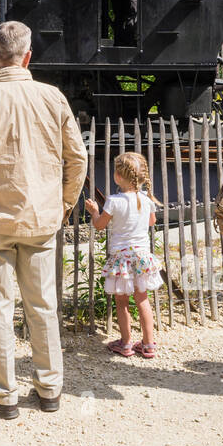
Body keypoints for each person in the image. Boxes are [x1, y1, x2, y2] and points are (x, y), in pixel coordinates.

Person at [0, 21, 87, 418]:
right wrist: (63, 205)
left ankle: (3, 394)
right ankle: (49, 389)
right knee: (43, 303)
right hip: (41, 218)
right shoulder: (53, 98)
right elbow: (77, 158)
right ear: (28, 56)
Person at [84, 152, 161, 359]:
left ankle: (126, 343)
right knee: (143, 300)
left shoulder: (114, 201)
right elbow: (151, 222)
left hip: (122, 260)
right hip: (142, 257)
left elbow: (100, 226)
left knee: (122, 302)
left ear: (118, 176)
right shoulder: (146, 199)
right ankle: (148, 344)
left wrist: (93, 211)